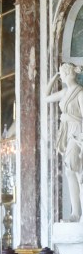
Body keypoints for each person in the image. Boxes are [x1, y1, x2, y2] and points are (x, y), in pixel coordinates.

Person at [47, 63, 83, 220]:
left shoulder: (80, 93)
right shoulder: (64, 92)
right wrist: (53, 78)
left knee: (75, 170)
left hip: (77, 132)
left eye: (61, 73)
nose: (60, 76)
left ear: (68, 73)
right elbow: (45, 97)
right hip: (67, 132)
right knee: (70, 170)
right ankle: (76, 212)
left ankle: (77, 213)